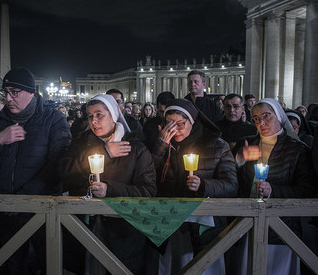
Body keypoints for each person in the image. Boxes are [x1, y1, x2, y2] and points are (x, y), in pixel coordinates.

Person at [0, 67, 71, 274]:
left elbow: (57, 166)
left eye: (14, 92)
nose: (8, 98)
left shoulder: (54, 119)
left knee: (48, 263)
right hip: (6, 208)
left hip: (42, 208)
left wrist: (24, 199)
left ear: (31, 92)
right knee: (13, 266)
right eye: (5, 92)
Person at [59, 94, 157, 274]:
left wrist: (109, 189)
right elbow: (65, 173)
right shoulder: (81, 143)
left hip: (125, 232)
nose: (93, 121)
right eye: (90, 116)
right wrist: (103, 152)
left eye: (99, 115)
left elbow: (148, 191)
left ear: (113, 115)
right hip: (84, 226)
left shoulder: (136, 148)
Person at [150, 99, 237, 275]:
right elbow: (149, 176)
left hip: (204, 226)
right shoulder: (161, 143)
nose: (174, 130)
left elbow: (231, 185)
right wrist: (161, 146)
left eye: (180, 124)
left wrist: (203, 184)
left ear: (193, 122)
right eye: (169, 124)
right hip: (171, 224)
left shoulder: (217, 145)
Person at [231, 99, 316, 275]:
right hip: (247, 224)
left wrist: (273, 190)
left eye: (266, 116)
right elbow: (233, 182)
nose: (261, 122)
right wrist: (239, 160)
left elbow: (307, 190)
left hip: (283, 230)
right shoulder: (247, 144)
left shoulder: (298, 150)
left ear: (278, 116)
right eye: (255, 118)